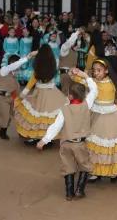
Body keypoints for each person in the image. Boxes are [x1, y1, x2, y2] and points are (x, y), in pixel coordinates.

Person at [36, 69, 97, 201]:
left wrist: (44, 140)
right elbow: (94, 90)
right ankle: (80, 189)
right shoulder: (87, 105)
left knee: (68, 167)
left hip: (66, 144)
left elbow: (56, 126)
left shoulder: (64, 109)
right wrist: (86, 76)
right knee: (84, 166)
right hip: (80, 144)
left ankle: (69, 193)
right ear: (84, 96)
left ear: (69, 96)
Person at [13, 44, 69, 142]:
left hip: (39, 93)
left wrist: (23, 94)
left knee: (38, 117)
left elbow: (31, 83)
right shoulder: (53, 65)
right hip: (52, 92)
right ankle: (49, 137)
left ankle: (37, 136)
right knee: (51, 116)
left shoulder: (37, 69)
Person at [0, 51, 37, 140]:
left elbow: (16, 90)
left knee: (18, 115)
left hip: (11, 98)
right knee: (5, 116)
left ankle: (22, 132)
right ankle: (2, 131)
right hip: (2, 98)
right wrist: (27, 57)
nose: (18, 68)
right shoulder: (4, 71)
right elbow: (13, 66)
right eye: (17, 66)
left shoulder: (14, 77)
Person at [59, 29, 80, 95]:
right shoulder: (64, 48)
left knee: (73, 94)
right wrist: (78, 32)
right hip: (65, 74)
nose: (74, 41)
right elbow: (70, 42)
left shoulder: (74, 50)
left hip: (73, 75)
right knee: (65, 94)